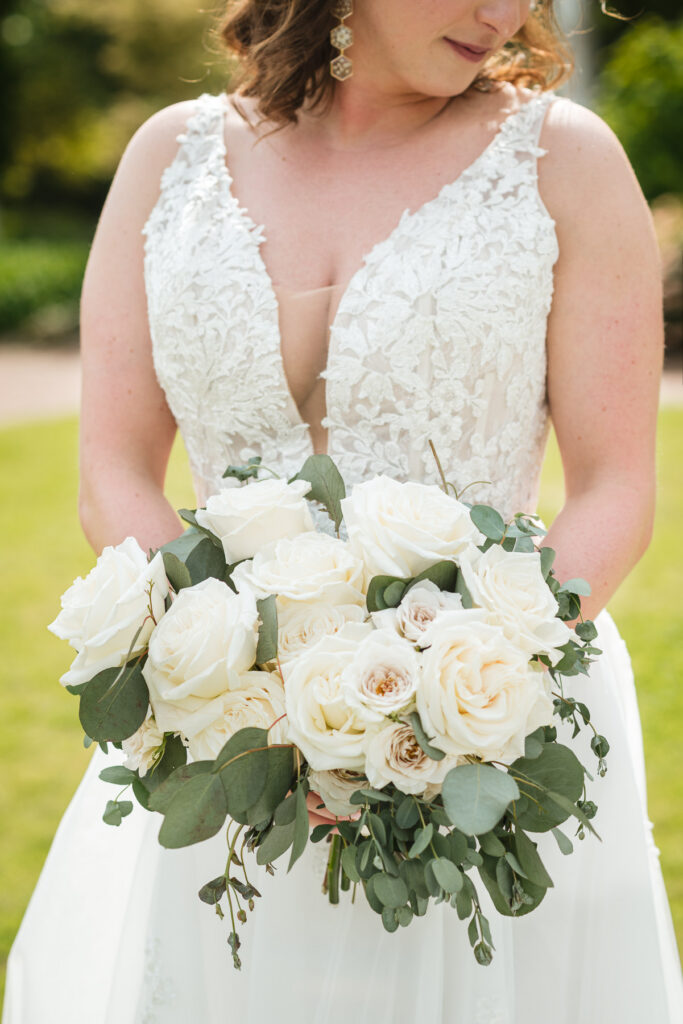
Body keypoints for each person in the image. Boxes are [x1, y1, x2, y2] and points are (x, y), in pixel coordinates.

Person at [3, 0, 683, 1020]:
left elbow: (616, 492)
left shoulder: (563, 162)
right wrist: (241, 689)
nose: (503, 12)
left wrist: (431, 707)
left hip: (484, 732)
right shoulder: (168, 160)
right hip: (222, 749)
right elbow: (113, 470)